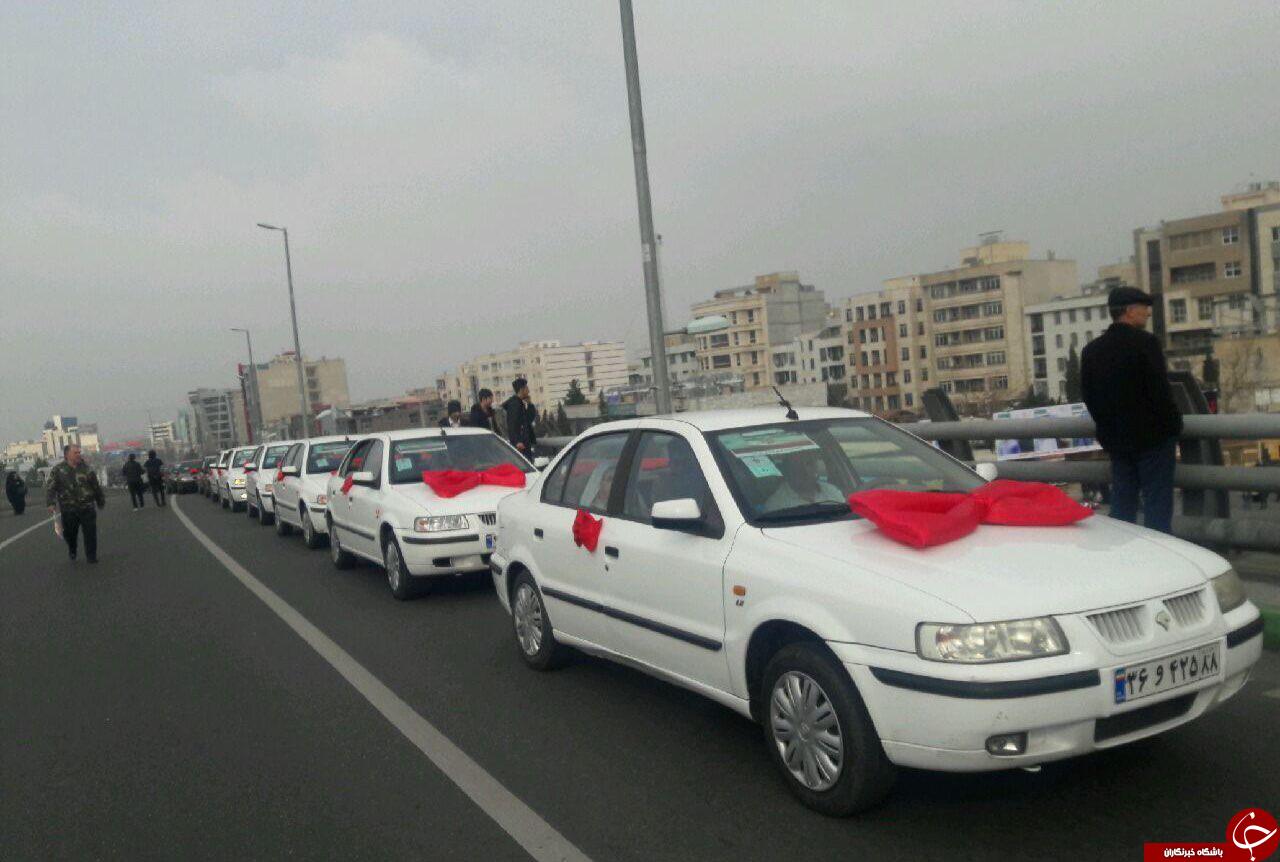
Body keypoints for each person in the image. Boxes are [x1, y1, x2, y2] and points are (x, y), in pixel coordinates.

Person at [1081, 286, 1183, 534]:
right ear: (1129, 311)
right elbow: (1159, 391)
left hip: (1117, 441)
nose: (1148, 313)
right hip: (1153, 440)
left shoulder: (1092, 351)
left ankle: (1124, 556)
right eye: (1144, 307)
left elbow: (1090, 396)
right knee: (1157, 505)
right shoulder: (1145, 343)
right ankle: (1158, 558)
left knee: (1123, 503)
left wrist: (1107, 431)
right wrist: (1173, 426)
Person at [46, 444, 106, 563]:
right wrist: (50, 503)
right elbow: (51, 488)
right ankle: (72, 548)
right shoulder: (58, 470)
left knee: (90, 533)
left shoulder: (86, 469)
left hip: (87, 507)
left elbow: (95, 486)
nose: (79, 455)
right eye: (75, 453)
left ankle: (91, 556)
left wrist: (100, 500)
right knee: (70, 534)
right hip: (69, 509)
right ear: (67, 455)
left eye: (79, 452)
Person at [766, 449, 844, 511]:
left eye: (809, 464)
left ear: (816, 466)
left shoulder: (831, 491)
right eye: (798, 466)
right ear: (788, 471)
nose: (805, 471)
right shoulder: (777, 504)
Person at [503, 377, 538, 461]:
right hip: (520, 444)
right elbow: (512, 424)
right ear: (522, 389)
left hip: (525, 442)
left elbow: (529, 419)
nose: (528, 390)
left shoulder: (520, 403)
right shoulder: (515, 404)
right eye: (526, 388)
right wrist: (517, 441)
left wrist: (529, 404)